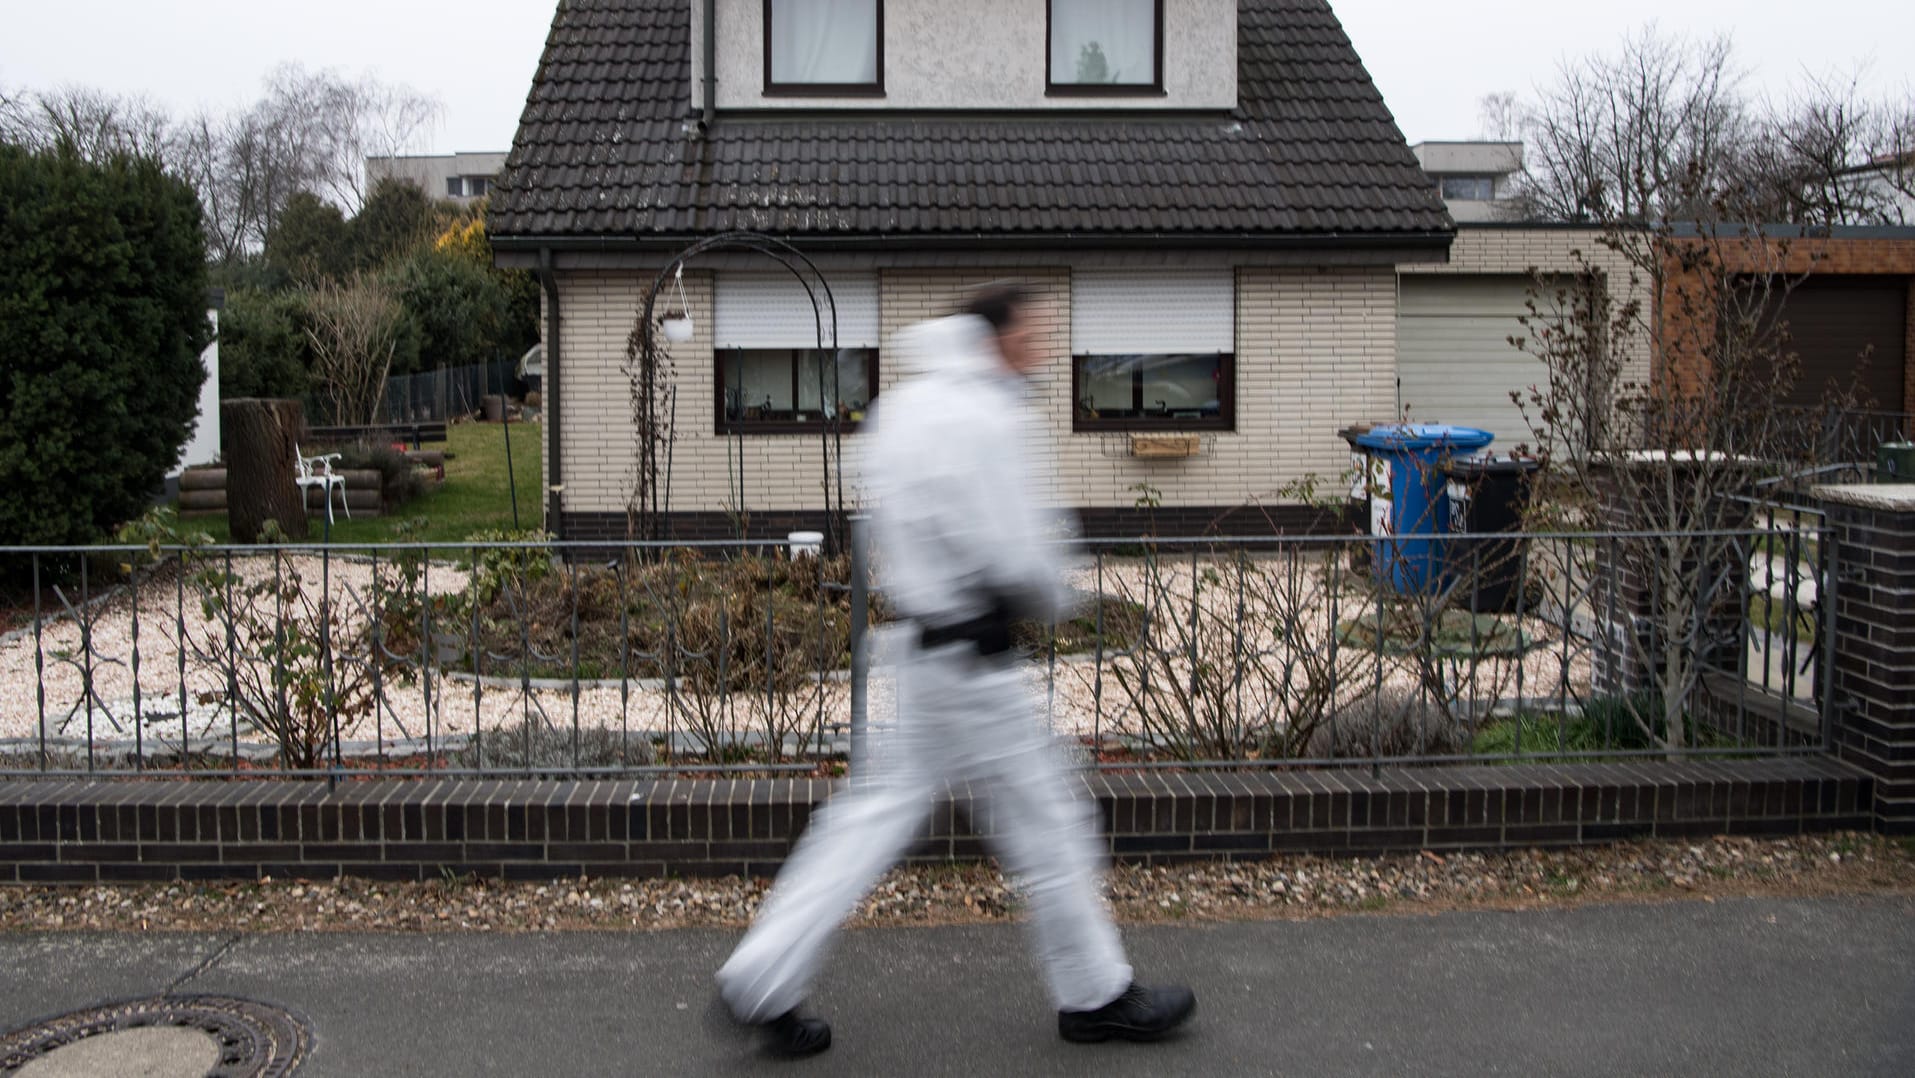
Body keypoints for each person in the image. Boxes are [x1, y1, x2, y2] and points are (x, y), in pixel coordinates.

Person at [714, 285, 1197, 1058]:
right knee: (1051, 824)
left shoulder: (906, 410)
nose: (1041, 348)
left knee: (869, 819)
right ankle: (1095, 994)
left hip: (922, 647)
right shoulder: (987, 417)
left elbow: (874, 498)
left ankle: (760, 973)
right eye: (1033, 333)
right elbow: (1017, 549)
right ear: (997, 335)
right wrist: (1058, 592)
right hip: (977, 658)